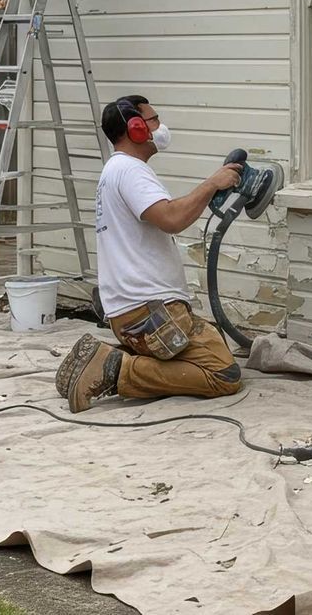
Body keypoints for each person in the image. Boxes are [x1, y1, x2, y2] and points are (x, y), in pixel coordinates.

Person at [55, 96, 247, 412]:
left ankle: (104, 359)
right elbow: (171, 218)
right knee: (222, 373)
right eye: (154, 119)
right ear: (136, 128)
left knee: (214, 345)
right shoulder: (130, 170)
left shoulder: (114, 171)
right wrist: (212, 183)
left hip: (134, 310)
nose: (161, 126)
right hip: (150, 311)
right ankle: (114, 369)